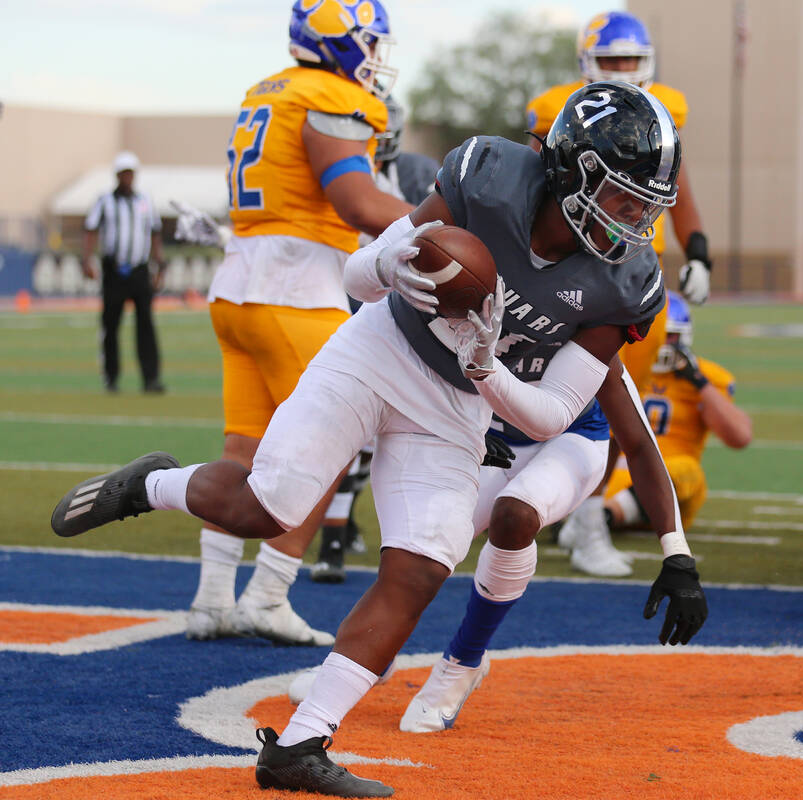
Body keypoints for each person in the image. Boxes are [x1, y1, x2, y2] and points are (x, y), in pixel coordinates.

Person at [51, 81, 708, 797]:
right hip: (380, 351)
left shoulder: (627, 281)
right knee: (268, 509)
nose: (636, 222)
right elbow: (358, 278)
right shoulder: (488, 178)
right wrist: (391, 264)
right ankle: (149, 483)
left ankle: (300, 744)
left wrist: (484, 368)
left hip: (459, 402)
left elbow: (549, 416)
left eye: (648, 205)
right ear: (574, 171)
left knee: (425, 564)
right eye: (623, 198)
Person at [179, 0, 415, 647]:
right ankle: (267, 594)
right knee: (331, 445)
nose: (373, 57)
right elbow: (356, 200)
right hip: (296, 288)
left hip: (238, 287)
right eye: (368, 42)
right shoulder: (333, 95)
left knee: (245, 450)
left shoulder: (269, 88)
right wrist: (448, 223)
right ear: (338, 43)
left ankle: (210, 600)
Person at [531, 10, 714, 574]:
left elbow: (673, 184)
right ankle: (534, 503)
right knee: (537, 393)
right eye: (610, 62)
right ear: (589, 65)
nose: (622, 71)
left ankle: (587, 523)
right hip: (567, 266)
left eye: (630, 61)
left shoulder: (665, 111)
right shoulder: (556, 107)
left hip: (630, 273)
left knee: (613, 403)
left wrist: (699, 248)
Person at [311, 93, 440, 584]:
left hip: (398, 309)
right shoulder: (338, 170)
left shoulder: (415, 173)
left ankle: (341, 533)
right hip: (341, 300)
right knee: (345, 429)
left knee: (378, 436)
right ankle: (331, 540)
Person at [603, 291, 753, 536]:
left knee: (687, 472)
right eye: (656, 334)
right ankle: (594, 513)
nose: (662, 343)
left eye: (669, 335)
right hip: (613, 476)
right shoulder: (619, 367)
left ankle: (602, 516)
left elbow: (739, 436)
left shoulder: (706, 376)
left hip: (670, 486)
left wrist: (699, 382)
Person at [82, 151, 166, 394]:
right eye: (124, 173)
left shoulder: (145, 201)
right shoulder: (104, 200)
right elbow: (90, 229)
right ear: (117, 175)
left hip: (139, 270)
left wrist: (159, 266)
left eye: (131, 173)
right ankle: (111, 378)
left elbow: (156, 233)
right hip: (114, 270)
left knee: (146, 325)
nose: (128, 178)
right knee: (110, 324)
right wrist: (87, 259)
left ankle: (150, 379)